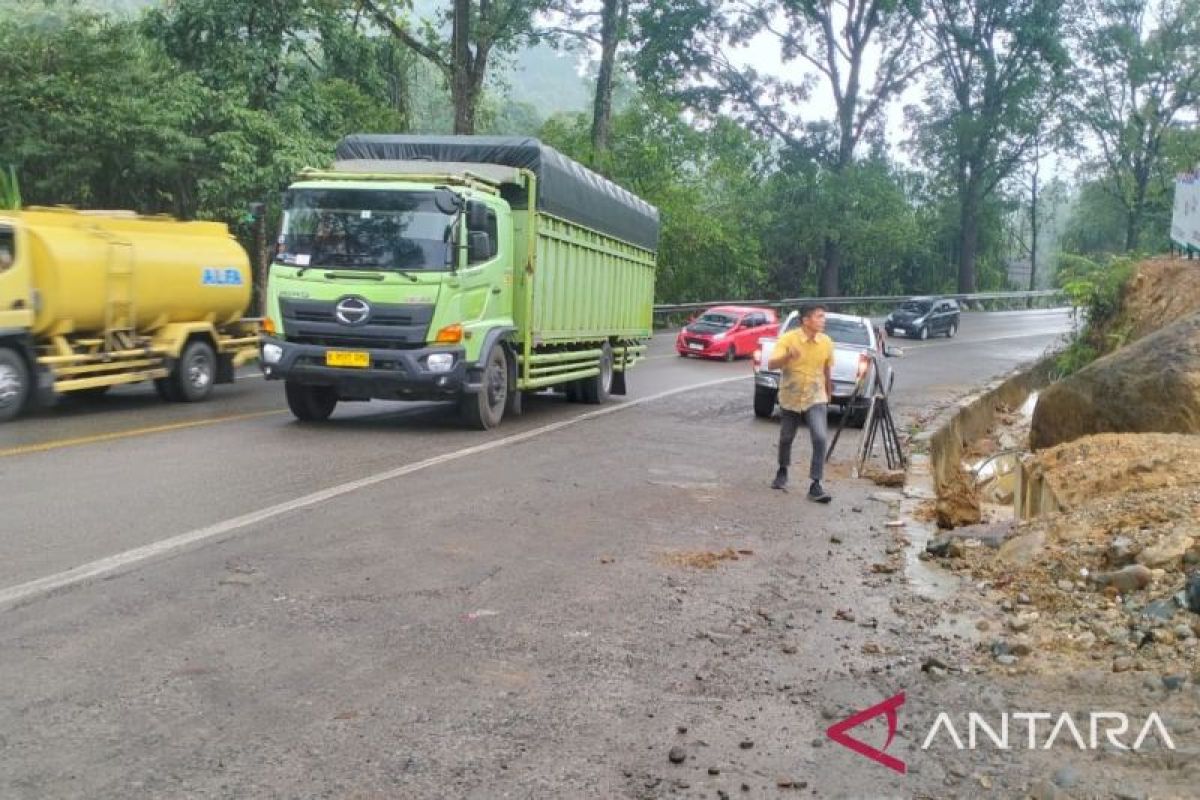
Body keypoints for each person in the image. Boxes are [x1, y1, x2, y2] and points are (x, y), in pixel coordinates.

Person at [767, 304, 834, 502]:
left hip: (816, 396)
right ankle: (782, 469)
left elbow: (827, 369)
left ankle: (816, 484)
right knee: (787, 437)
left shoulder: (826, 342)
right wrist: (788, 356)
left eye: (823, 316)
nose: (823, 320)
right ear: (806, 320)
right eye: (819, 316)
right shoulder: (788, 339)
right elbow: (771, 364)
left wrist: (829, 393)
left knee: (820, 438)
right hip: (792, 395)